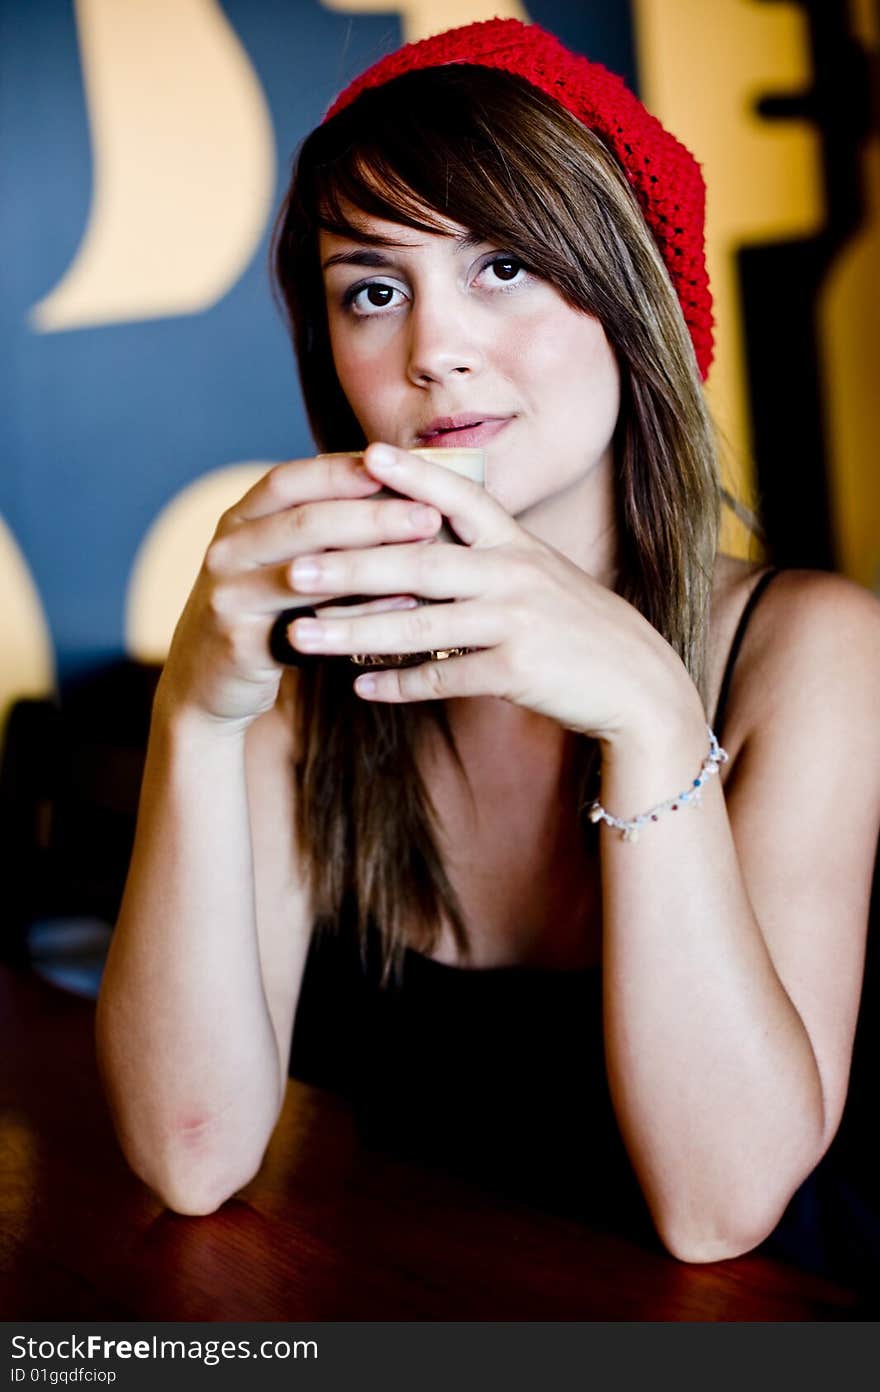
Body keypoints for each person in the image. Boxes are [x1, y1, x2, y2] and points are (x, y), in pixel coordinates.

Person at [95, 19, 880, 1276]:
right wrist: (198, 710)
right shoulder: (306, 666)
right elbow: (192, 1156)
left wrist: (650, 716)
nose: (433, 348)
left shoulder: (809, 649)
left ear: (634, 296)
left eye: (503, 264)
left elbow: (719, 1207)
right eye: (373, 288)